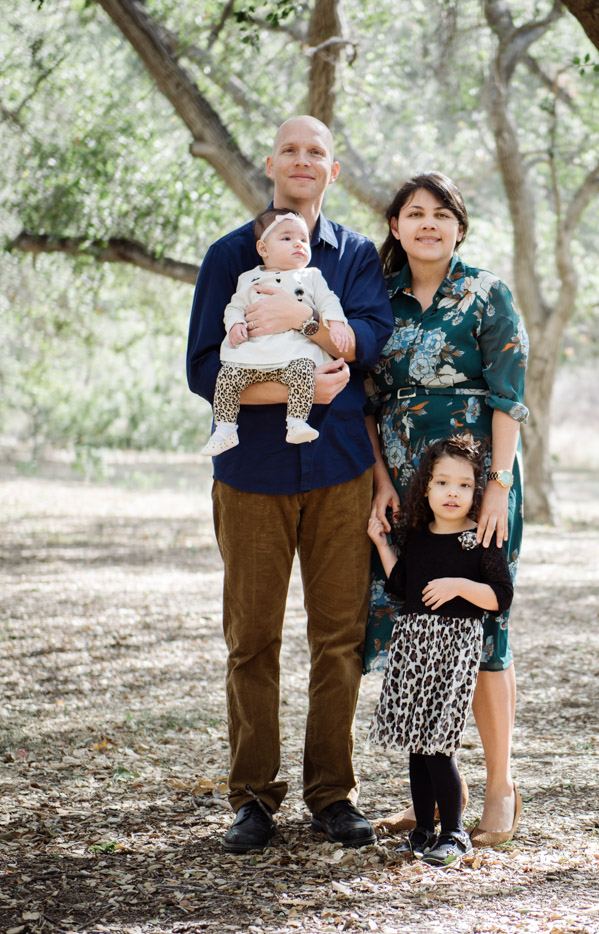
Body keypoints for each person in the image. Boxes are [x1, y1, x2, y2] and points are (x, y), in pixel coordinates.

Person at [185, 116, 393, 853]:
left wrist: (304, 317)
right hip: (251, 476)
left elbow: (371, 337)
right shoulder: (228, 257)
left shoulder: (356, 254)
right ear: (271, 163)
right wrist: (305, 384)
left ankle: (333, 795)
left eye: (318, 153)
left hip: (339, 474)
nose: (304, 162)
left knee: (340, 639)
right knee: (252, 641)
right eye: (292, 150)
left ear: (331, 171)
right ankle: (252, 799)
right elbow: (206, 373)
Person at [364, 172, 528, 848]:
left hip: (476, 488)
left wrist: (498, 486)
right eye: (413, 214)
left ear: (459, 225)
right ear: (396, 228)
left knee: (483, 632)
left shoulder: (487, 294)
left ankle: (498, 786)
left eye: (440, 214)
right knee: (419, 632)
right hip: (405, 489)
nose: (427, 224)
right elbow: (366, 406)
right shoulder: (377, 300)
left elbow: (508, 396)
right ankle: (439, 795)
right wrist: (380, 483)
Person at [367, 434, 514, 867]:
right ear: (425, 489)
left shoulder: (479, 540)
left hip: (454, 649)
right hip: (413, 647)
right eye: (443, 483)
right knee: (418, 741)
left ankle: (454, 833)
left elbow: (500, 595)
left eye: (465, 485)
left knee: (439, 743)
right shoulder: (419, 536)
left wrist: (460, 587)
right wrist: (381, 544)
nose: (453, 493)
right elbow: (400, 586)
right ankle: (423, 831)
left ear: (476, 492)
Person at [200, 208, 354, 456]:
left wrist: (336, 323)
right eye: (287, 239)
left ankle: (296, 421)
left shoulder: (312, 276)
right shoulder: (248, 279)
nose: (299, 244)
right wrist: (236, 324)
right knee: (228, 378)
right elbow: (235, 306)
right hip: (253, 354)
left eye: (303, 239)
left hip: (293, 352)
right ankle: (226, 428)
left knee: (304, 371)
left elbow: (329, 300)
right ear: (263, 249)